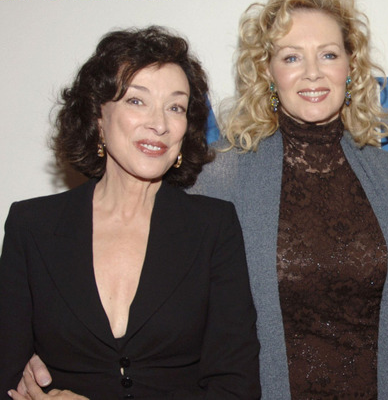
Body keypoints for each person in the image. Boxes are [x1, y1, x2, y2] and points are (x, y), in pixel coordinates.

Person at [0, 27, 261, 398]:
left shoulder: (213, 227)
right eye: (137, 101)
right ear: (97, 117)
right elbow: (9, 377)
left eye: (175, 107)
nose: (160, 123)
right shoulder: (32, 226)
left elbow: (236, 387)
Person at [189, 0, 388, 398]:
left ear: (351, 66)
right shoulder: (221, 175)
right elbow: (176, 306)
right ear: (268, 72)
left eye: (328, 54)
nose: (313, 72)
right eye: (291, 57)